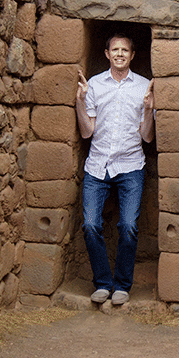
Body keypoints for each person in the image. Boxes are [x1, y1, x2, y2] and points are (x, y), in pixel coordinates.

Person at [75, 33, 155, 306]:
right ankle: (102, 283)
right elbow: (87, 132)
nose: (120, 53)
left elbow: (147, 138)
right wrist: (80, 101)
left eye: (125, 50)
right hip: (98, 165)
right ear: (107, 53)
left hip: (131, 164)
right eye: (115, 49)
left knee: (129, 226)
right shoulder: (95, 85)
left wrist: (148, 109)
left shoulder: (144, 87)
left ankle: (121, 285)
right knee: (90, 224)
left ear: (132, 55)